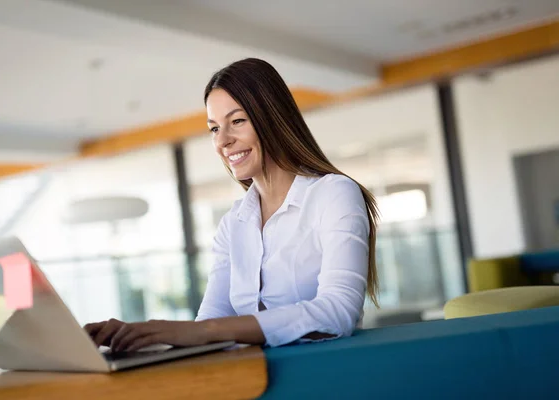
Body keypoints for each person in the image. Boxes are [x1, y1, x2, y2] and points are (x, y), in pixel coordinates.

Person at [84, 58, 379, 351]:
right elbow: (210, 321)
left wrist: (206, 331)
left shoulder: (333, 194)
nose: (222, 141)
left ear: (273, 119)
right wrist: (143, 337)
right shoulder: (233, 223)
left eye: (237, 121)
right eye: (214, 128)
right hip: (251, 382)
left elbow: (338, 312)